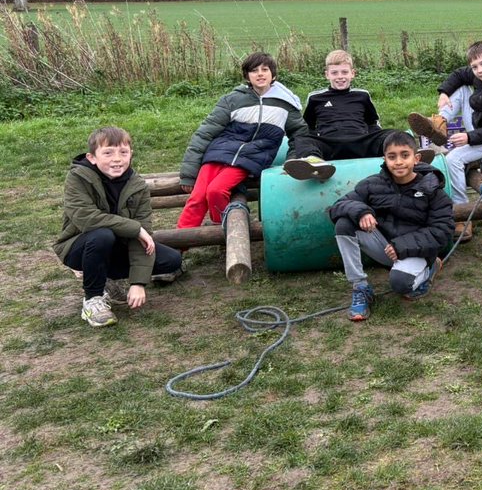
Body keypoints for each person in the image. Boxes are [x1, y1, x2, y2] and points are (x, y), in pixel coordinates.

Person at [54, 126, 183, 327]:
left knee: (171, 260)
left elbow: (142, 234)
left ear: (131, 154)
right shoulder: (77, 178)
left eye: (123, 152)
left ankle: (104, 276)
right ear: (92, 157)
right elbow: (86, 219)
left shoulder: (138, 185)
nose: (117, 159)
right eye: (108, 153)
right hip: (79, 245)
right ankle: (93, 300)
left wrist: (138, 283)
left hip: (118, 245)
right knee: (102, 235)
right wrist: (135, 228)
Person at [328, 131, 455, 321]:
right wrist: (362, 211)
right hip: (385, 248)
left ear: (416, 158)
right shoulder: (373, 184)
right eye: (392, 156)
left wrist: (401, 246)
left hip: (416, 252)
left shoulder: (432, 190)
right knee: (344, 223)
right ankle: (360, 287)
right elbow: (337, 206)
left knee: (401, 285)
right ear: (385, 159)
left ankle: (430, 268)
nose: (398, 162)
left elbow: (442, 232)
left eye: (405, 155)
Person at [178, 52, 311, 228]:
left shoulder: (285, 104)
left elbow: (300, 134)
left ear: (274, 75)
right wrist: (188, 174)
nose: (260, 74)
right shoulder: (233, 99)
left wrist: (292, 161)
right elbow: (205, 133)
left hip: (251, 158)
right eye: (254, 70)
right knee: (197, 196)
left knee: (216, 190)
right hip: (219, 152)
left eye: (265, 69)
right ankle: (178, 249)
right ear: (247, 76)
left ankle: (222, 232)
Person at [407, 40, 482, 241]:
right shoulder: (481, 74)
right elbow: (460, 74)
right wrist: (444, 92)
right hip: (478, 123)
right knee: (460, 89)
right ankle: (440, 122)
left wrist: (470, 137)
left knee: (453, 160)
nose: (480, 70)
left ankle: (462, 214)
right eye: (475, 67)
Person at [284, 49, 396, 181]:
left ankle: (407, 156)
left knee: (394, 134)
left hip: (360, 143)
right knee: (302, 139)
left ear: (352, 73)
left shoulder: (362, 95)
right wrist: (311, 145)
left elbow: (373, 123)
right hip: (330, 145)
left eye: (344, 72)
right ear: (327, 75)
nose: (340, 76)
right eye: (334, 73)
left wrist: (377, 141)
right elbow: (309, 127)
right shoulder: (315, 98)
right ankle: (315, 163)